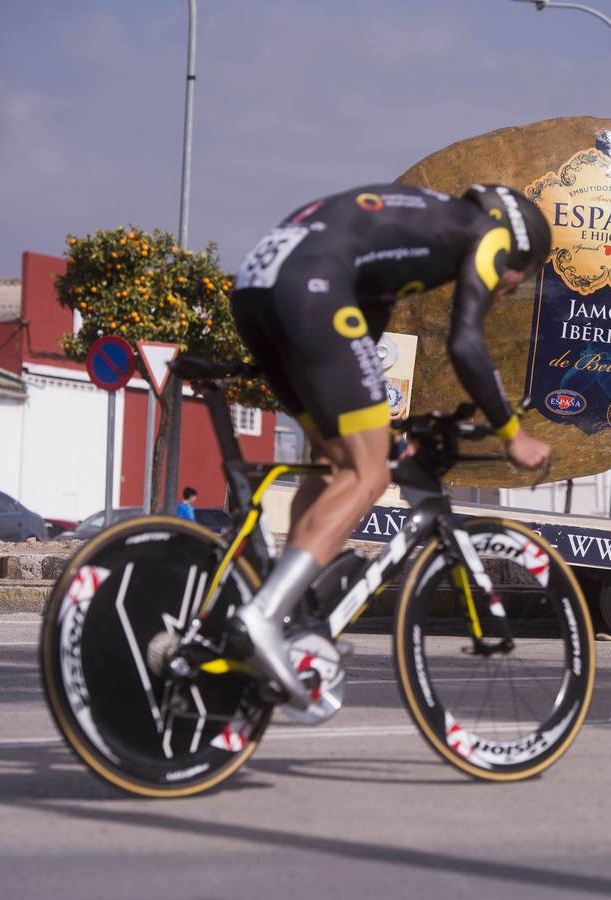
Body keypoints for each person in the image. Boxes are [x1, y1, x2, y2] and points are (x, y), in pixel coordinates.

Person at [227, 182, 553, 708]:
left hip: (256, 287)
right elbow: (466, 342)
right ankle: (264, 615)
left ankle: (287, 607)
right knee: (370, 474)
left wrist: (395, 434)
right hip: (311, 285)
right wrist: (512, 434)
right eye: (523, 276)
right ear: (519, 245)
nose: (510, 289)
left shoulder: (416, 235)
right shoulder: (491, 233)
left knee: (340, 463)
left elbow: (362, 353)